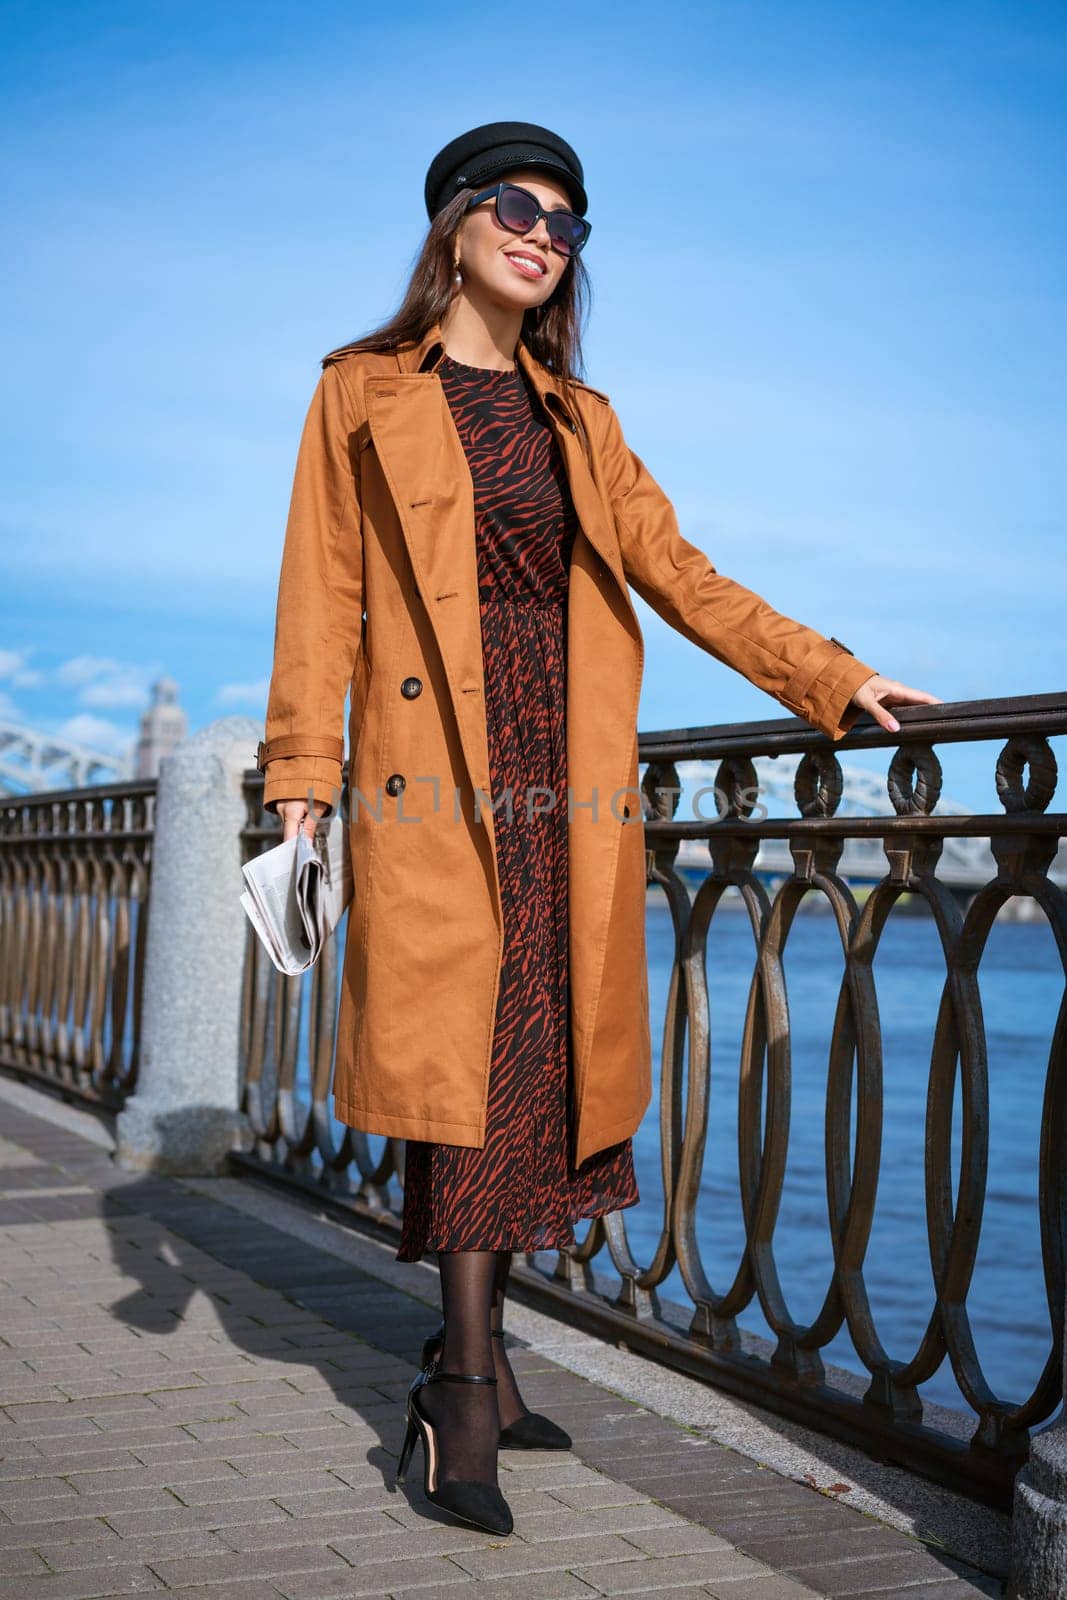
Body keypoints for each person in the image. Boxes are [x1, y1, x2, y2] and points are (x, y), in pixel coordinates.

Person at [257, 120, 940, 1537]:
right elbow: (318, 594)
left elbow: (682, 575)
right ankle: (458, 1389)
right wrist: (296, 785)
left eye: (567, 218)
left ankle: (488, 1362)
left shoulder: (583, 418)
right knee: (461, 1069)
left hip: (563, 776)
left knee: (528, 1067)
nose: (543, 230)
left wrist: (833, 674)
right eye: (515, 205)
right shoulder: (359, 391)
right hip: (428, 769)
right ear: (453, 224)